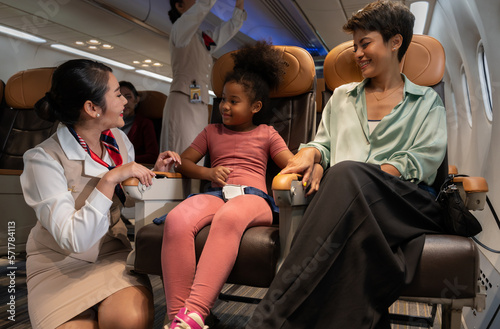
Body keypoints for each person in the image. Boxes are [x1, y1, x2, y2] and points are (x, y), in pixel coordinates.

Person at [246, 1, 448, 328]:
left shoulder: (426, 102)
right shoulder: (341, 98)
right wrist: (312, 155)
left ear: (395, 42)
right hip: (350, 200)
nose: (358, 53)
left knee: (347, 175)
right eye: (355, 46)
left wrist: (363, 178)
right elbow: (321, 143)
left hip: (405, 201)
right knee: (354, 242)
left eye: (365, 43)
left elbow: (424, 159)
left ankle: (268, 319)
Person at [160, 41, 321, 329]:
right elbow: (185, 162)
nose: (224, 106)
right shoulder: (211, 131)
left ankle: (195, 312)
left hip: (254, 198)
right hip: (216, 193)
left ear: (255, 106)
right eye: (222, 99)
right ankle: (177, 320)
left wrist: (313, 162)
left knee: (229, 217)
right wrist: (208, 173)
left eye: (234, 101)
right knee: (177, 219)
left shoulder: (267, 133)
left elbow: (290, 163)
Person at [20, 59, 181, 329]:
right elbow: (75, 239)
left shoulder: (117, 140)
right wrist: (108, 180)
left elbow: (128, 199)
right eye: (117, 94)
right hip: (58, 262)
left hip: (111, 253)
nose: (125, 102)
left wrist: (153, 173)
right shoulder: (42, 159)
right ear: (92, 108)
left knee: (129, 321)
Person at [159, 0, 247, 155]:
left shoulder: (202, 38)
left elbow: (230, 28)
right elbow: (203, 6)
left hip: (200, 102)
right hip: (182, 102)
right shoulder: (179, 30)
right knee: (180, 153)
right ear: (180, 6)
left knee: (197, 153)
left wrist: (239, 5)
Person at [119, 80, 159, 164]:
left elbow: (152, 156)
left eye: (128, 96)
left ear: (136, 100)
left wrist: (124, 160)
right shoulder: (110, 123)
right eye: (119, 96)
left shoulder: (145, 124)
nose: (124, 101)